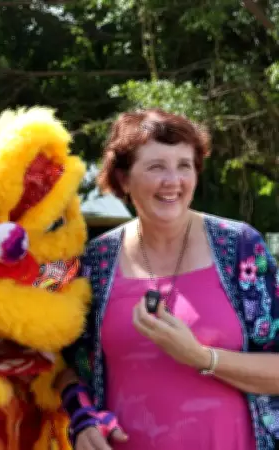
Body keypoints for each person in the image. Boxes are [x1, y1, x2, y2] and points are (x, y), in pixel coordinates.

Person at [56, 109, 279, 450]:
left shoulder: (240, 248)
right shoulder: (96, 263)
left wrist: (202, 357)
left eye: (184, 165)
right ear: (124, 178)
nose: (172, 180)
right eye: (156, 166)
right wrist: (83, 419)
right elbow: (63, 367)